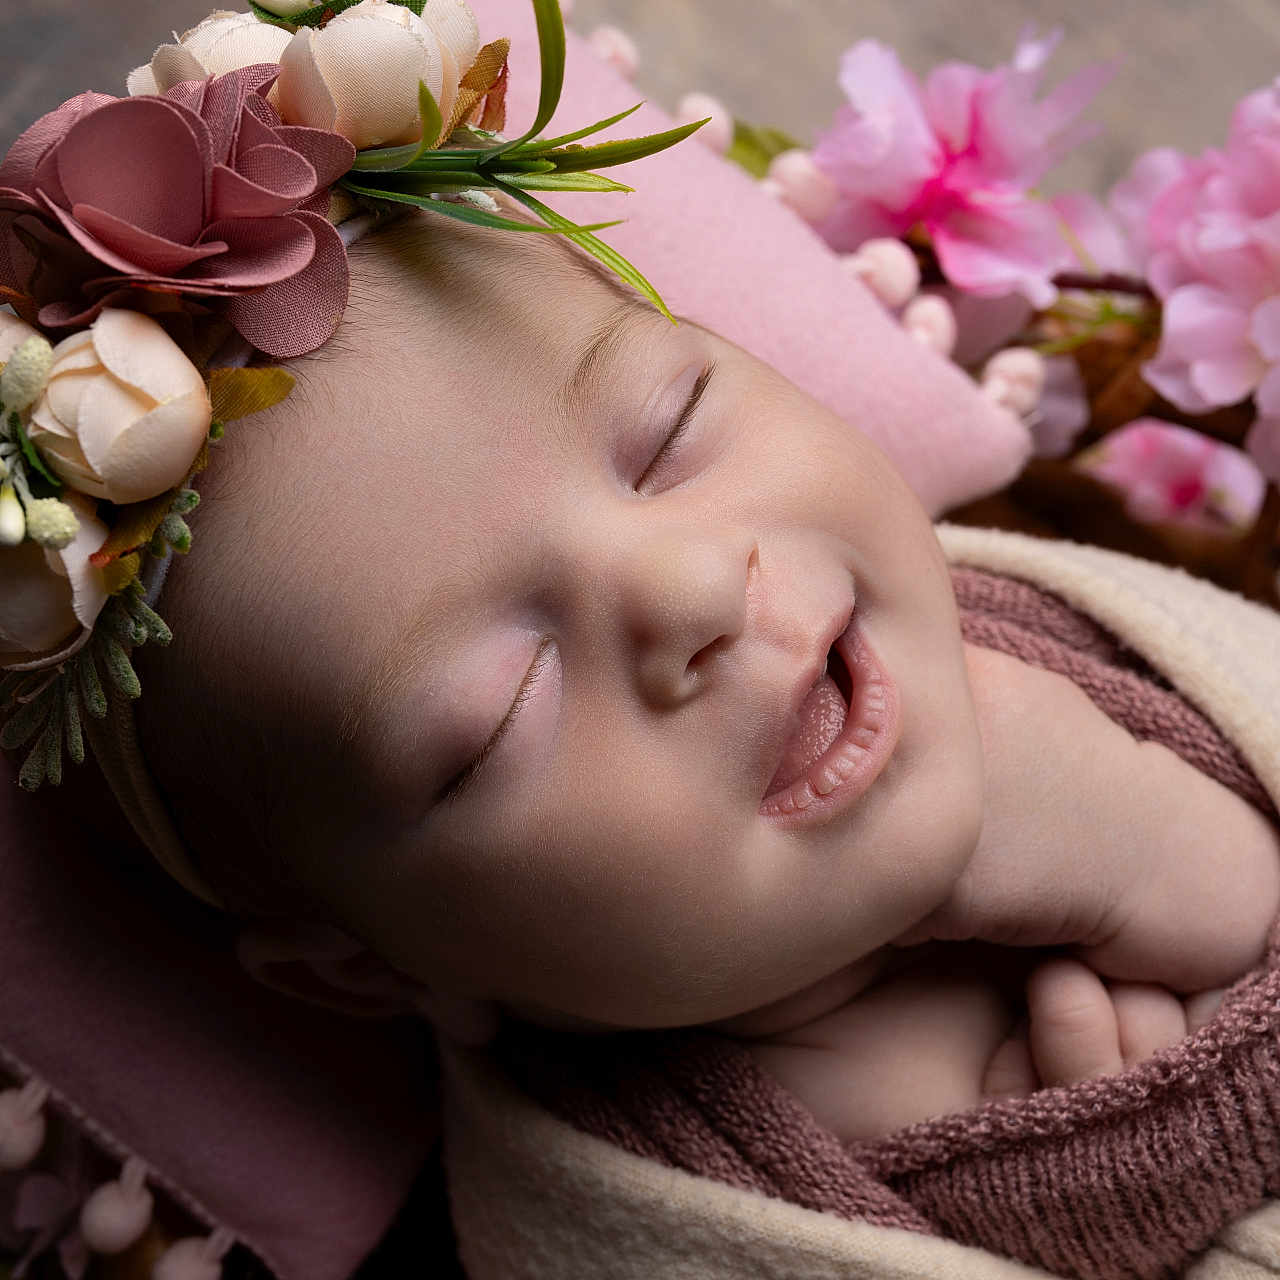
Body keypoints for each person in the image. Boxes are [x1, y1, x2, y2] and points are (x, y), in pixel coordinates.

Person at [127, 208, 1280, 1145]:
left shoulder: (1046, 597)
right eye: (503, 705)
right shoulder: (643, 1216)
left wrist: (1178, 843)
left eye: (667, 434)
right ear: (372, 968)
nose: (692, 588)